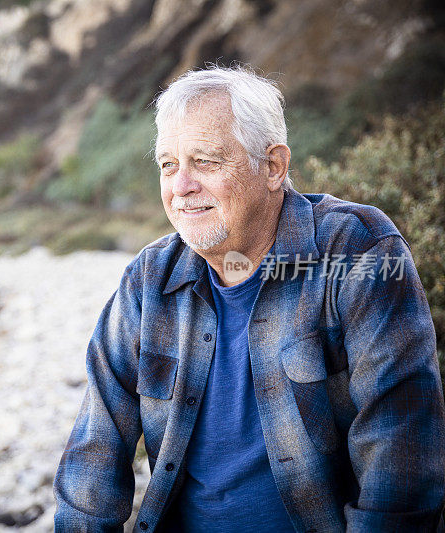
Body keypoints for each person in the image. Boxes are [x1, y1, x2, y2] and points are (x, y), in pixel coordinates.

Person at [53, 65, 445, 532]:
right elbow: (94, 453)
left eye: (206, 161)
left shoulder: (358, 252)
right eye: (168, 165)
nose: (181, 187)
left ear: (274, 167)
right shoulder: (149, 280)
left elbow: (400, 463)